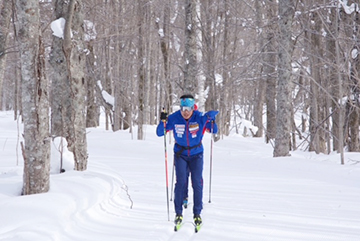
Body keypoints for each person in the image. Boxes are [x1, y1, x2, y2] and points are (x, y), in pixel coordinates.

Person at [156, 94, 218, 227]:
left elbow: (214, 130)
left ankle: (197, 213)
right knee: (181, 182)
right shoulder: (174, 117)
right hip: (181, 154)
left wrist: (212, 119)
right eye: (183, 108)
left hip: (197, 154)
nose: (185, 112)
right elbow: (160, 132)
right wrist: (163, 121)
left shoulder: (199, 117)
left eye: (188, 109)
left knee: (197, 183)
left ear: (193, 108)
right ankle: (178, 212)